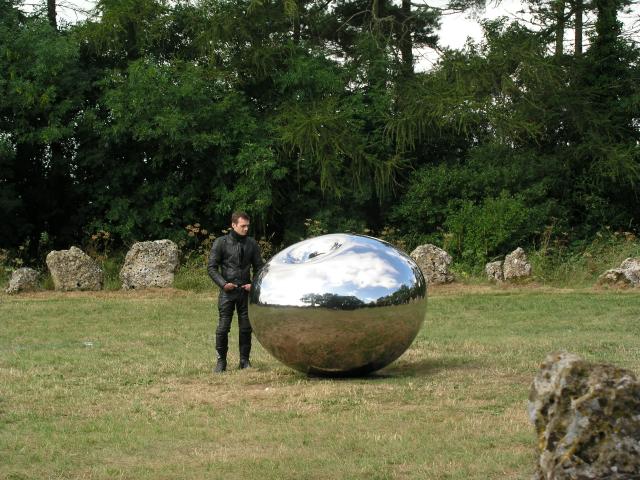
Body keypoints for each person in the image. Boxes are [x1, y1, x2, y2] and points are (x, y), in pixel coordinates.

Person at [207, 211, 264, 373]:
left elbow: (259, 267)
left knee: (246, 328)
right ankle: (221, 362)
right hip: (227, 292)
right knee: (223, 328)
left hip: (245, 292)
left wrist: (253, 284)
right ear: (233, 225)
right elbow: (211, 267)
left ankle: (244, 361)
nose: (246, 229)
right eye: (243, 226)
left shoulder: (252, 244)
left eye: (247, 226)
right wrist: (224, 284)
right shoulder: (221, 243)